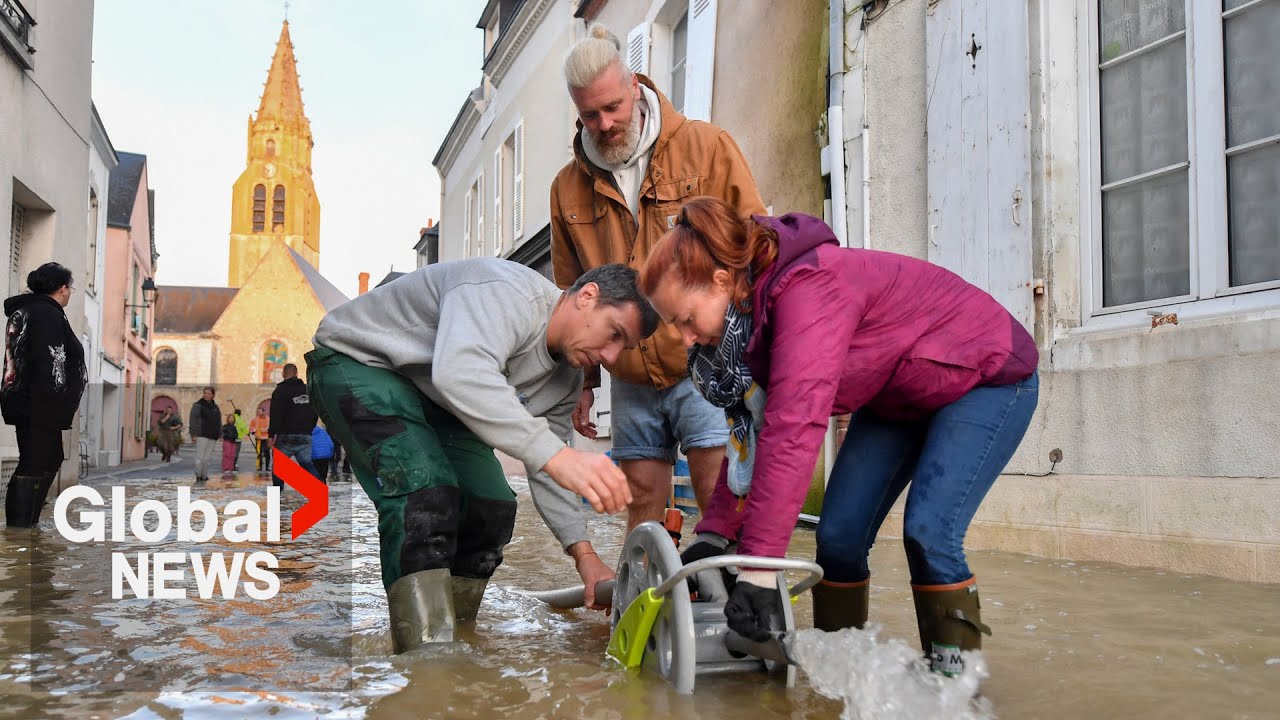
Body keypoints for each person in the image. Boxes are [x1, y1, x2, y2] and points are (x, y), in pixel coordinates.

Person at [639, 197, 1040, 677]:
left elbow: (794, 429)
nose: (684, 339)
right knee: (838, 538)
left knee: (929, 533)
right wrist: (715, 531)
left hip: (987, 375)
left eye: (685, 319)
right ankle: (836, 679)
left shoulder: (807, 289)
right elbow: (753, 432)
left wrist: (760, 570)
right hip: (899, 395)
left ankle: (954, 688)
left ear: (722, 282)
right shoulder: (751, 322)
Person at [305, 259, 655, 653]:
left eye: (620, 347)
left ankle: (460, 639)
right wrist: (558, 457)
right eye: (613, 333)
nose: (610, 356)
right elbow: (461, 373)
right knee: (425, 493)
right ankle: (428, 661)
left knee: (493, 507)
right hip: (359, 361)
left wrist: (585, 555)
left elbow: (546, 470)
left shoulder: (566, 381)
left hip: (440, 401)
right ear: (587, 297)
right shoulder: (506, 292)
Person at [550, 24, 766, 537]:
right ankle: (643, 611)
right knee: (641, 501)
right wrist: (582, 384)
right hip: (628, 373)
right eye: (589, 114)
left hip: (710, 358)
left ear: (633, 87)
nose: (603, 123)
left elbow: (757, 245)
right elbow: (570, 295)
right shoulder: (566, 188)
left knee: (720, 495)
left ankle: (727, 606)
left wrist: (756, 350)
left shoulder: (706, 147)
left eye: (612, 107)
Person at [1, 262, 86, 527]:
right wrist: (57, 401)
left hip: (33, 400)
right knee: (35, 462)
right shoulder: (46, 313)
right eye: (70, 288)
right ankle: (20, 527)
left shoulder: (33, 310)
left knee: (47, 458)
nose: (70, 293)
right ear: (62, 289)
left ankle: (27, 522)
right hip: (40, 402)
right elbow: (53, 359)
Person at [268, 363, 319, 487]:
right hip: (305, 434)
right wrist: (309, 428)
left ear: (283, 374)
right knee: (306, 463)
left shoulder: (280, 391)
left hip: (286, 434)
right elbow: (315, 411)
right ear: (296, 373)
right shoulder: (308, 390)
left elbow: (275, 415)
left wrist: (271, 434)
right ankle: (320, 488)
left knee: (279, 466)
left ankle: (278, 494)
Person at [188, 387, 221, 482]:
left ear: (213, 395)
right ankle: (198, 475)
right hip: (201, 434)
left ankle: (204, 475)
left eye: (208, 393)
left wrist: (220, 433)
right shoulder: (198, 405)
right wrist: (193, 434)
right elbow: (193, 420)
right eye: (205, 393)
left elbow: (219, 421)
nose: (206, 395)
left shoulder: (216, 407)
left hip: (213, 435)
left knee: (207, 458)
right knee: (200, 457)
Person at [249, 406, 271, 473]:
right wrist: (253, 432)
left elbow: (269, 428)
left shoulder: (268, 419)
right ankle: (260, 467)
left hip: (266, 438)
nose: (259, 413)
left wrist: (261, 430)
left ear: (264, 412)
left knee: (267, 453)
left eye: (260, 411)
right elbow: (251, 427)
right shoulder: (255, 419)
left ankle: (267, 467)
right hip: (258, 439)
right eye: (258, 412)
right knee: (259, 453)